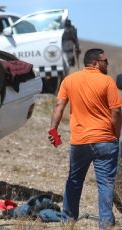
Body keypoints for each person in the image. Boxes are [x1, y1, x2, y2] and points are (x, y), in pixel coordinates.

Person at [49, 48, 122, 229]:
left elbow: (59, 105)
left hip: (80, 141)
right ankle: (105, 224)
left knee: (74, 181)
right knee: (105, 184)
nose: (108, 64)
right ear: (95, 63)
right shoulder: (107, 82)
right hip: (105, 140)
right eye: (105, 61)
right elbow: (117, 112)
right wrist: (115, 135)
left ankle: (68, 221)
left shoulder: (69, 80)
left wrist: (53, 130)